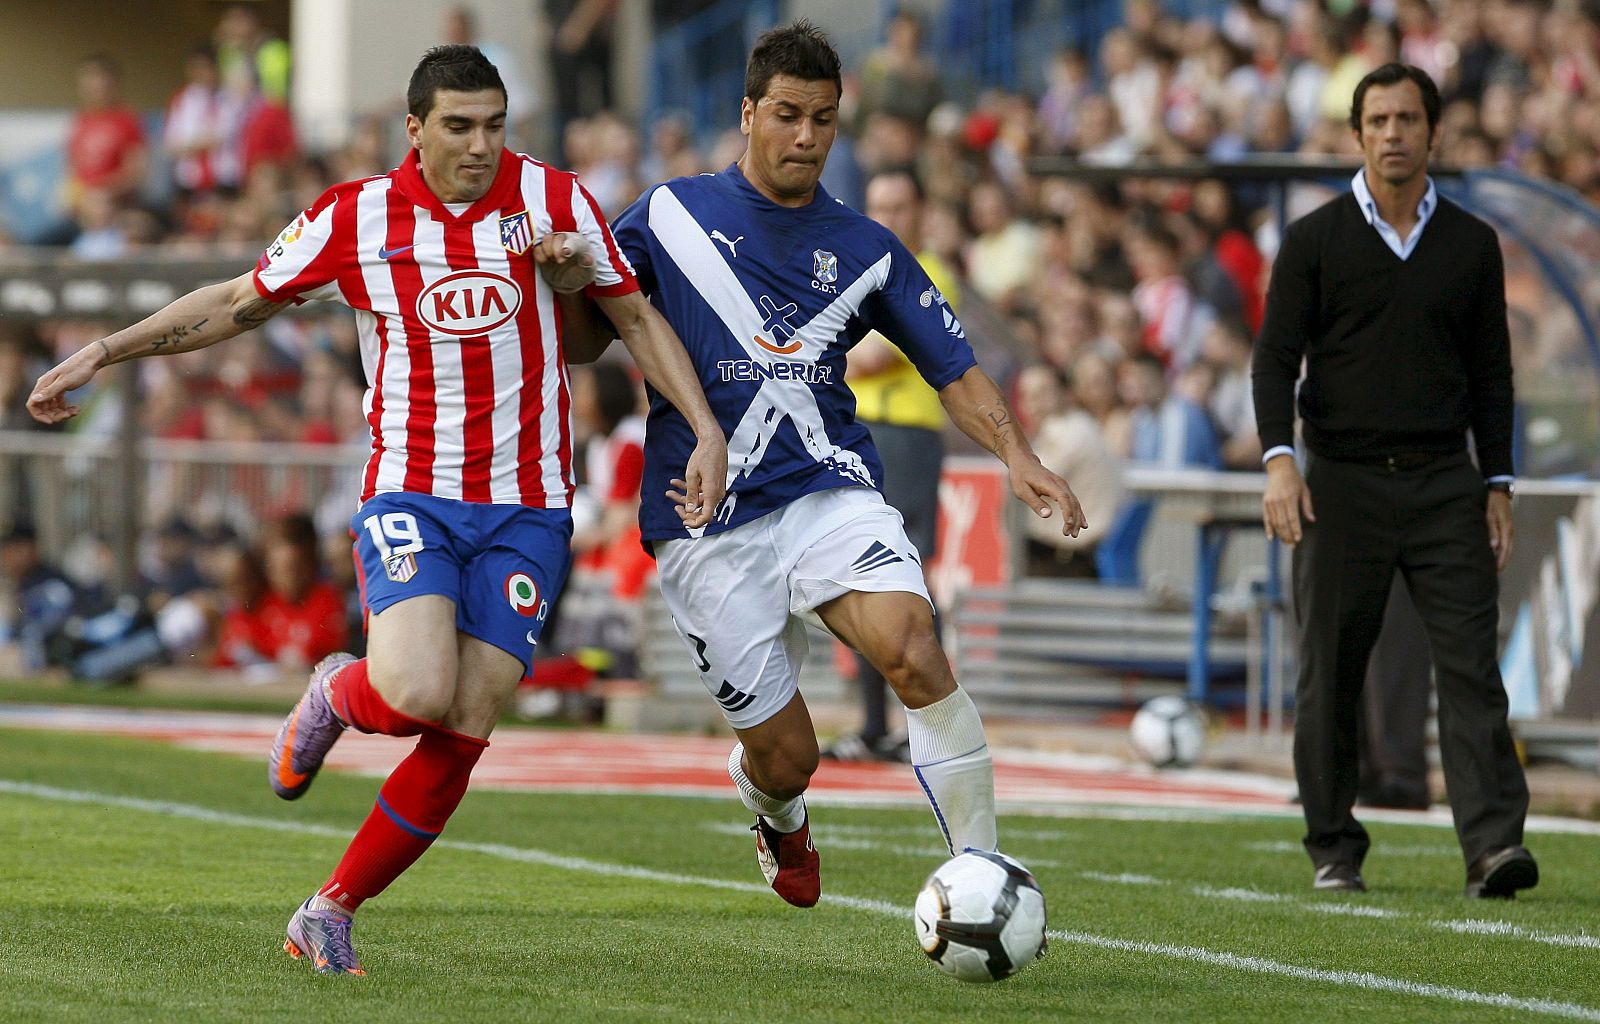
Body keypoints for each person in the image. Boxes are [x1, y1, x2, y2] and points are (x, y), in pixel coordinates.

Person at [26, 45, 727, 974]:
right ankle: (332, 690)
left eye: (494, 126)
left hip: (529, 504)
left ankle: (329, 909)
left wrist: (705, 428)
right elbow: (238, 300)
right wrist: (104, 353)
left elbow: (631, 319)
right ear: (416, 129)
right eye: (459, 127)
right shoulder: (357, 217)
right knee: (411, 693)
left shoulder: (556, 202)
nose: (481, 146)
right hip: (414, 491)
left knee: (468, 719)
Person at [563, 22, 1086, 908]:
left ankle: (984, 875)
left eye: (824, 119)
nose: (806, 137)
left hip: (826, 490)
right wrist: (570, 277)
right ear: (748, 114)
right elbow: (586, 341)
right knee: (788, 757)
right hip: (704, 517)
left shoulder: (866, 247)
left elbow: (952, 369)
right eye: (788, 115)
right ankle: (777, 812)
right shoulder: (667, 215)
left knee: (914, 647)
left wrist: (1018, 457)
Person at [1252, 63, 1535, 898]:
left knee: (1473, 668)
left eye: (1408, 118)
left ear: (1433, 131)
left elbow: (1494, 374)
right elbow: (1274, 360)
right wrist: (1279, 461)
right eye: (1378, 120)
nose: (1393, 134)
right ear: (1357, 133)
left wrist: (1501, 483)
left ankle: (1494, 850)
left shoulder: (1473, 246)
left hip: (1449, 480)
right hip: (1338, 482)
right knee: (1331, 672)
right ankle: (1335, 847)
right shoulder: (1315, 240)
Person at [824, 166, 955, 763]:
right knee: (865, 575)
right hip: (862, 432)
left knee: (905, 577)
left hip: (904, 435)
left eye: (900, 207)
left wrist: (800, 359)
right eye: (878, 207)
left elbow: (871, 358)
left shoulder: (927, 273)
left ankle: (928, 725)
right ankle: (877, 725)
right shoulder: (866, 274)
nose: (888, 221)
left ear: (922, 214)